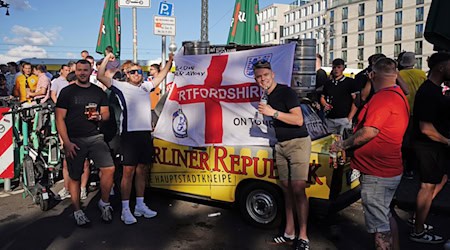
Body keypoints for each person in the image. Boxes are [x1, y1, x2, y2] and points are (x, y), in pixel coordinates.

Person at [331, 57, 410, 250]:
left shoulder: (383, 98)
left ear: (372, 74)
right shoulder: (398, 93)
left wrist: (343, 145)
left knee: (379, 227)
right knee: (385, 215)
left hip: (378, 173)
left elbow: (370, 131)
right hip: (388, 168)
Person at [97, 52, 174, 225]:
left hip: (145, 134)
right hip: (129, 135)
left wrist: (169, 61)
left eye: (140, 71)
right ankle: (125, 209)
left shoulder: (146, 87)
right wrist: (106, 59)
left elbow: (161, 76)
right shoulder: (120, 86)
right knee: (128, 172)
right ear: (126, 74)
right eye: (133, 72)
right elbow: (101, 76)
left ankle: (140, 204)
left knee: (142, 170)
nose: (137, 74)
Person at [254, 60, 311, 250]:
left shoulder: (286, 92)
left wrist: (273, 113)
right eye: (259, 77)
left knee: (298, 189)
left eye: (265, 76)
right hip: (280, 146)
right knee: (286, 189)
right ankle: (289, 233)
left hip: (298, 144)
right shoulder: (265, 95)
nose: (263, 79)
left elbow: (298, 120)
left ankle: (303, 237)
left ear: (273, 75)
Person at [55, 59, 115, 226]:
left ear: (91, 71)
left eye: (85, 70)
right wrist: (66, 142)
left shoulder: (98, 92)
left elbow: (107, 114)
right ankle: (77, 210)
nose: (82, 73)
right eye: (79, 70)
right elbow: (59, 118)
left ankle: (104, 203)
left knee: (109, 169)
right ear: (76, 71)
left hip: (95, 137)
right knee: (75, 176)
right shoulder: (67, 92)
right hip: (74, 139)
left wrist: (99, 117)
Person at [409, 52, 450, 244]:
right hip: (428, 147)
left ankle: (419, 218)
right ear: (441, 67)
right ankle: (418, 231)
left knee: (440, 179)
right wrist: (447, 141)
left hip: (435, 147)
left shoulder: (435, 90)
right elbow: (426, 128)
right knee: (426, 187)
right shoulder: (428, 92)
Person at [397, 52, 427, 179]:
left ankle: (406, 168)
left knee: (405, 141)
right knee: (418, 140)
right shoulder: (421, 74)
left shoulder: (399, 75)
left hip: (405, 111)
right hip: (420, 111)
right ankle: (416, 167)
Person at [320, 58, 358, 134]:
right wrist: (325, 104)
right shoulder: (328, 83)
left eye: (339, 67)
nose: (336, 70)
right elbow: (322, 97)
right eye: (334, 67)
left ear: (343, 68)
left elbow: (356, 100)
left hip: (344, 118)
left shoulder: (350, 82)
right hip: (329, 118)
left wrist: (350, 117)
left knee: (343, 142)